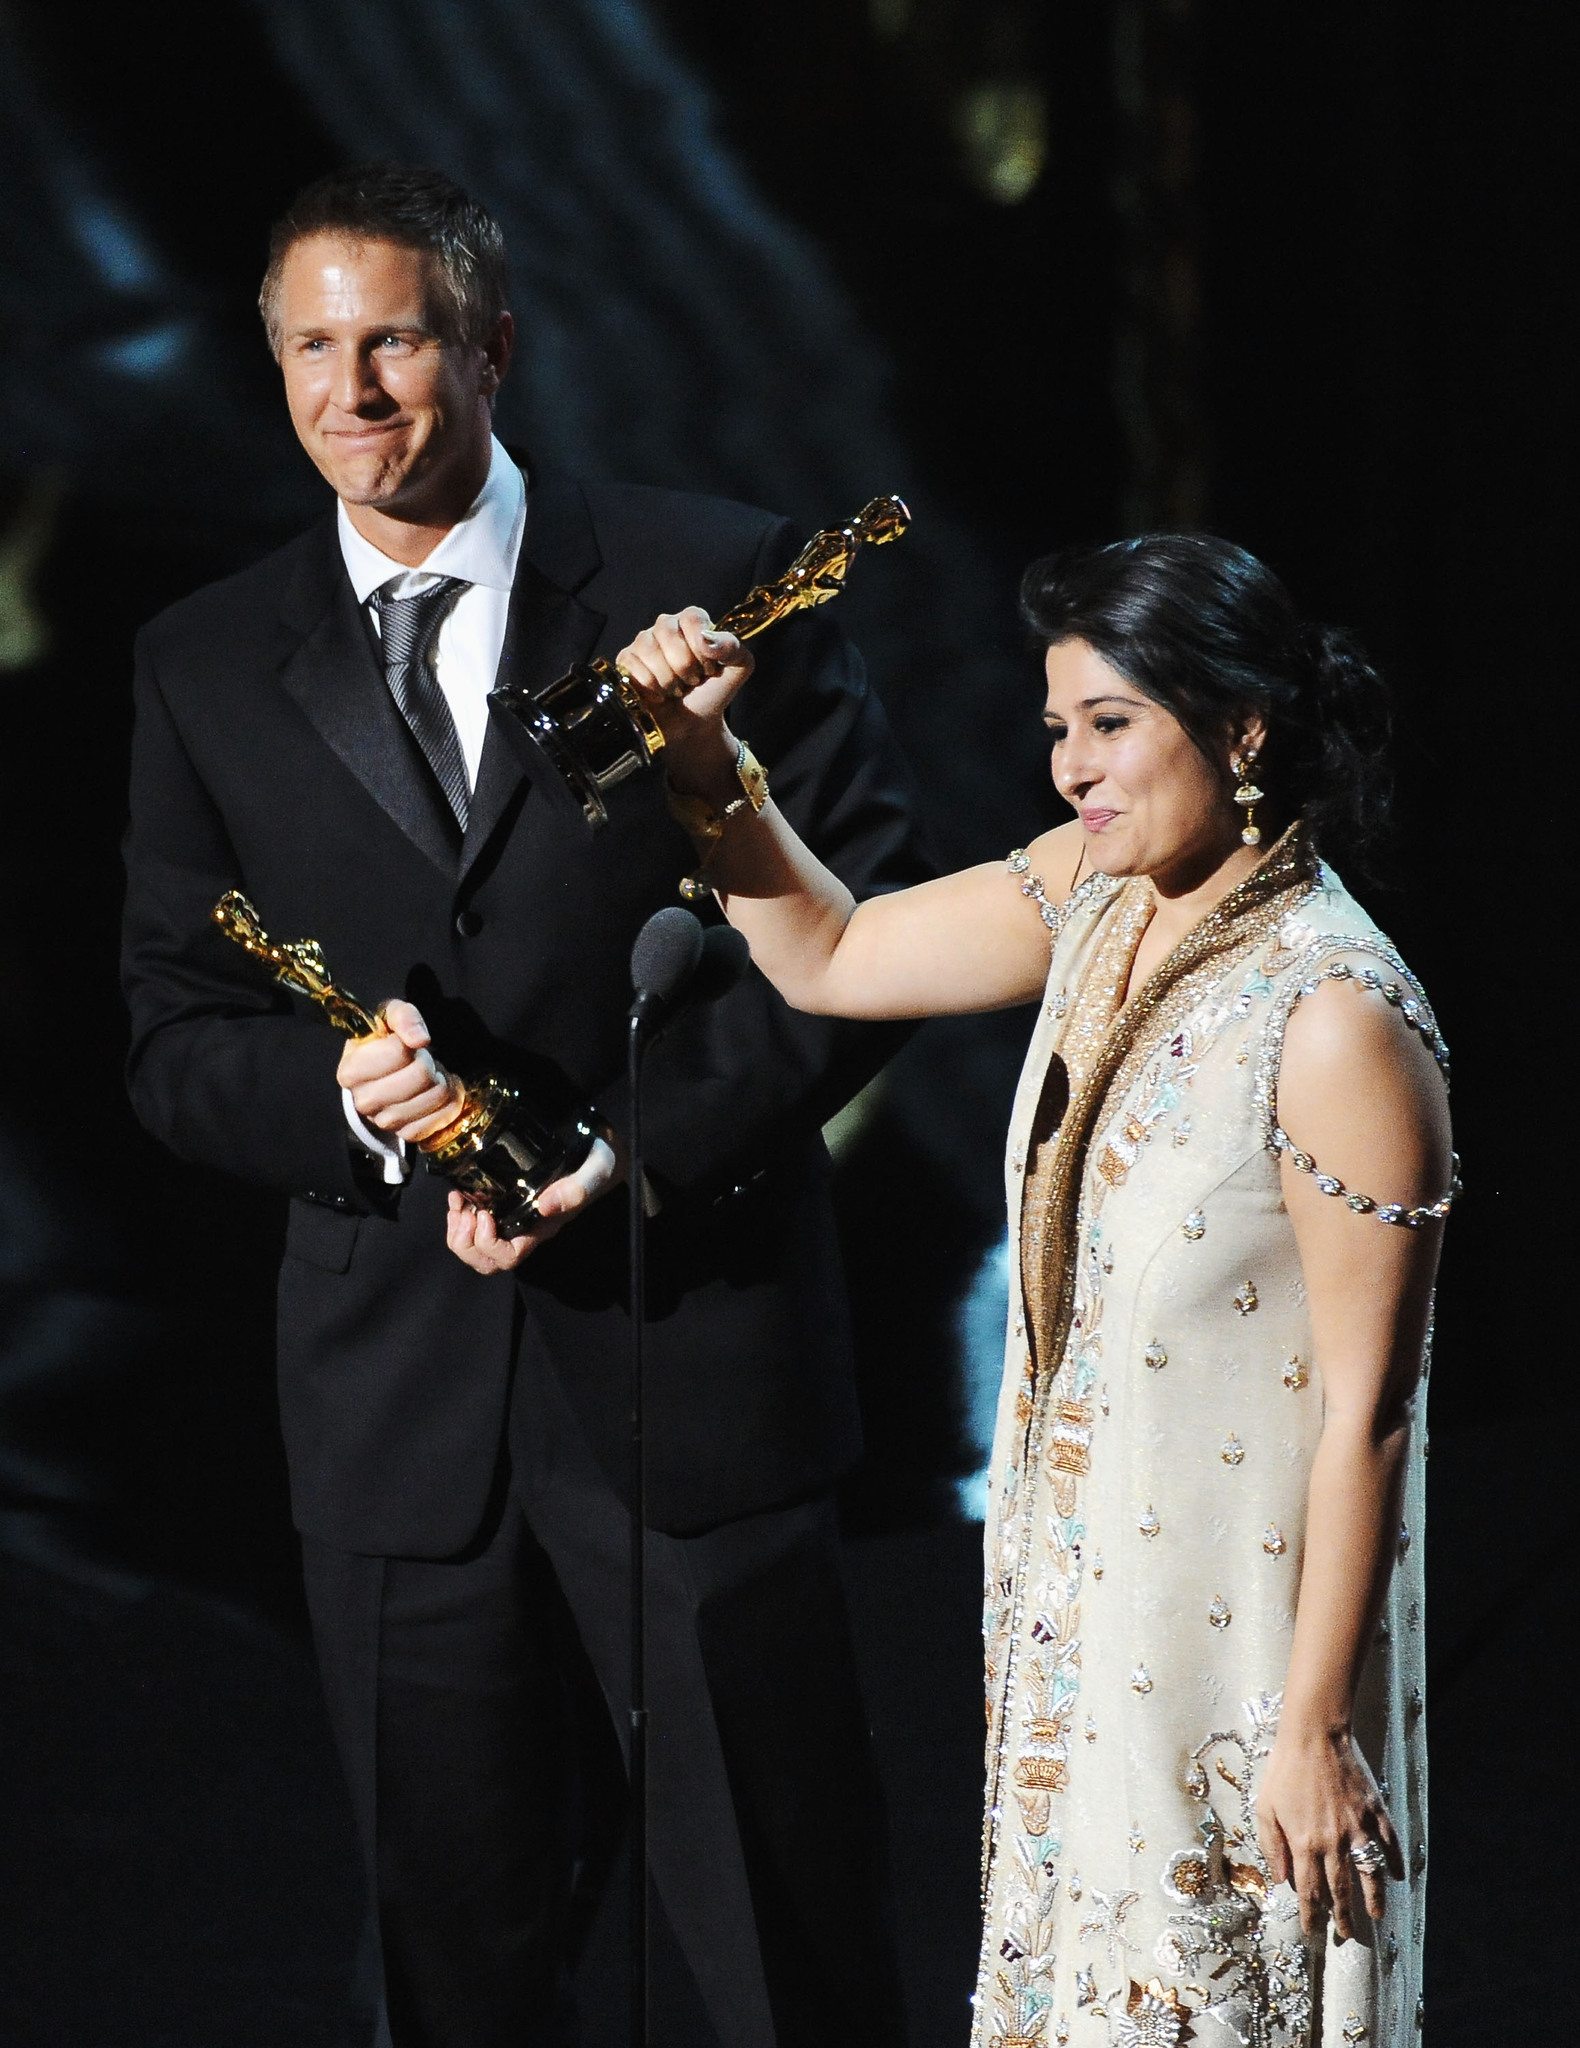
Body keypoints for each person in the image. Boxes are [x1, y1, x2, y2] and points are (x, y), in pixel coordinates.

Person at [121, 163, 929, 2048]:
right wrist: (334, 1093)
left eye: (394, 338)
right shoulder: (203, 661)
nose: (355, 391)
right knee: (454, 1970)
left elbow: (861, 924)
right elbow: (170, 1037)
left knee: (780, 1944)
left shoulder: (710, 574)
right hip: (397, 1418)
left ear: (493, 347)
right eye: (311, 349)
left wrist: (628, 1157)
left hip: (693, 1361)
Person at [616, 534, 1453, 2048]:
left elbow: (1368, 1414)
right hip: (1082, 1623)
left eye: (1113, 724)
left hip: (1244, 1665)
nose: (1074, 765)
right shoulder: (1093, 895)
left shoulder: (1334, 1021)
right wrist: (701, 749)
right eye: (1059, 726)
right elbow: (834, 953)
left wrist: (1317, 1728)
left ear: (1243, 726)